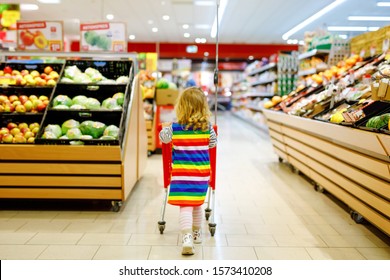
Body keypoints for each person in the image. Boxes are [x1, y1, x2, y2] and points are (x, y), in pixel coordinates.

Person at [159, 87, 217, 255]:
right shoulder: (207, 127)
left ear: (181, 107)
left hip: (181, 175)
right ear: (203, 107)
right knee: (197, 203)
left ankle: (187, 238)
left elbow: (164, 139)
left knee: (185, 206)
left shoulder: (175, 127)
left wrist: (166, 127)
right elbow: (213, 143)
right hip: (201, 175)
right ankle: (197, 233)